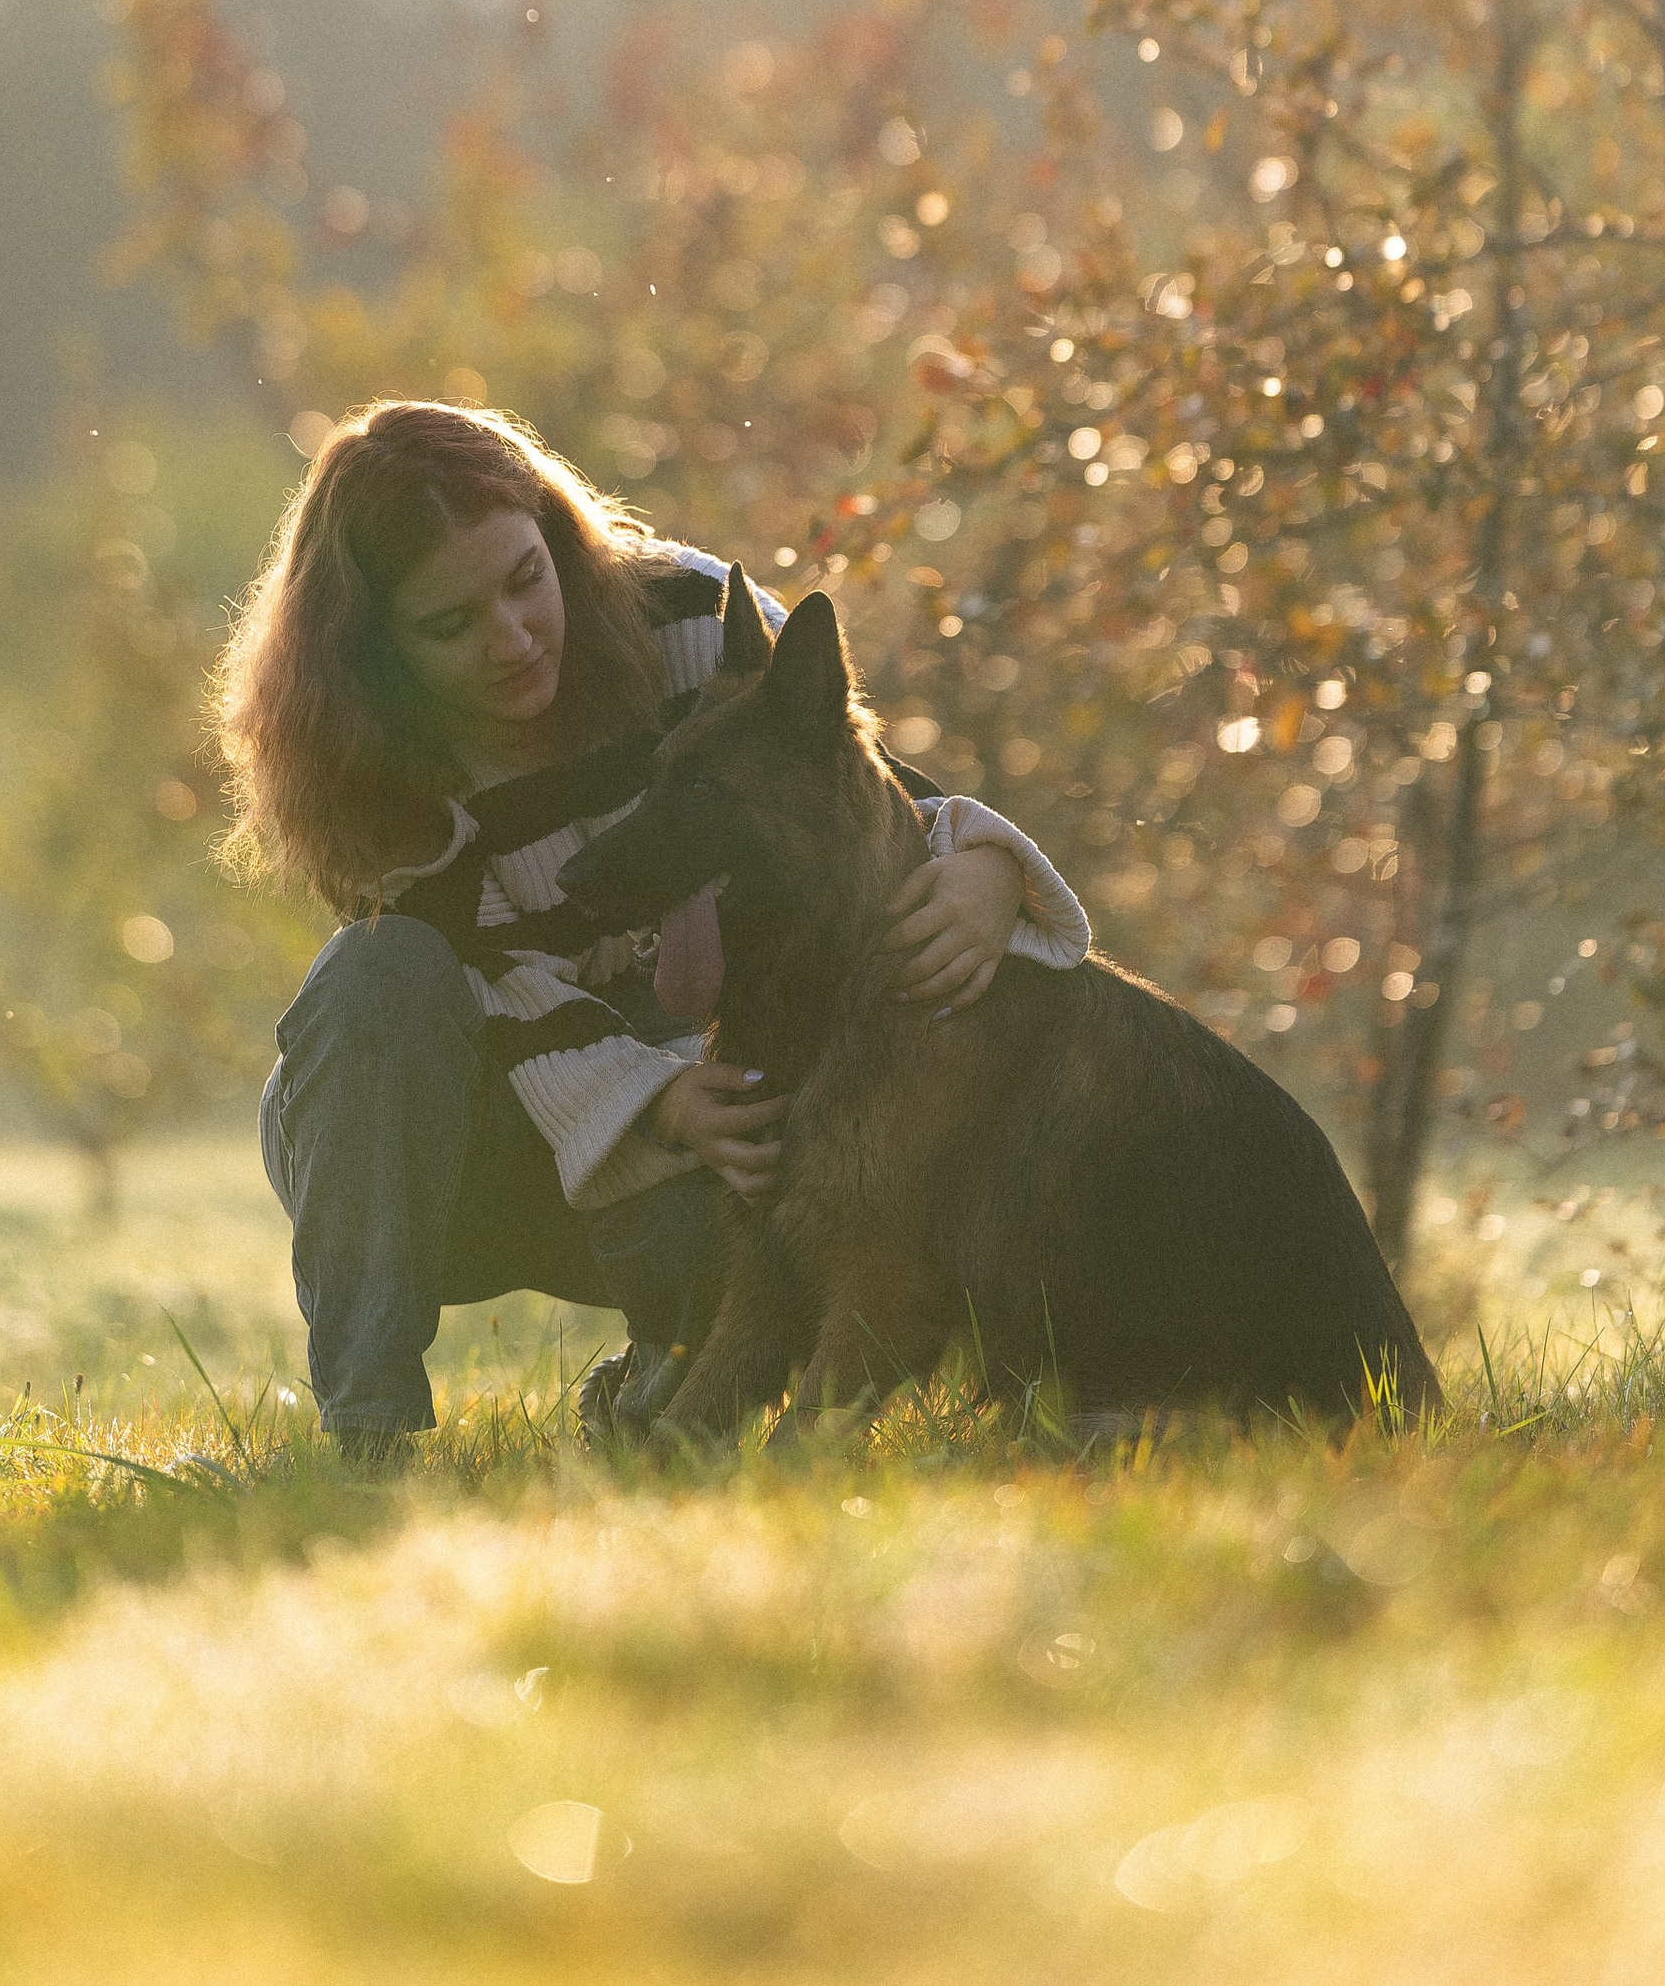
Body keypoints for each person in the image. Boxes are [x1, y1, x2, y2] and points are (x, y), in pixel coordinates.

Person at [218, 400, 1090, 1440]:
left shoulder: (685, 612)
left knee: (754, 1180)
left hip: (698, 1100)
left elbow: (855, 792)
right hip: (451, 1146)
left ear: (557, 538)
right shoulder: (367, 764)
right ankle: (367, 1432)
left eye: (524, 579)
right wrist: (655, 1097)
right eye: (450, 624)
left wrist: (987, 866)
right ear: (378, 648)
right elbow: (502, 992)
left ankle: (664, 1380)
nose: (511, 639)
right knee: (377, 971)